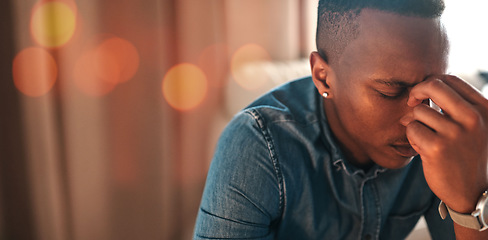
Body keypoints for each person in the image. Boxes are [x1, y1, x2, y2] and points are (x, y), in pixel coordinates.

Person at [193, 0, 488, 239]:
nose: (417, 117)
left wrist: (469, 199)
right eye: (390, 91)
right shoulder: (256, 147)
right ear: (324, 77)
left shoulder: (444, 140)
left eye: (431, 89)